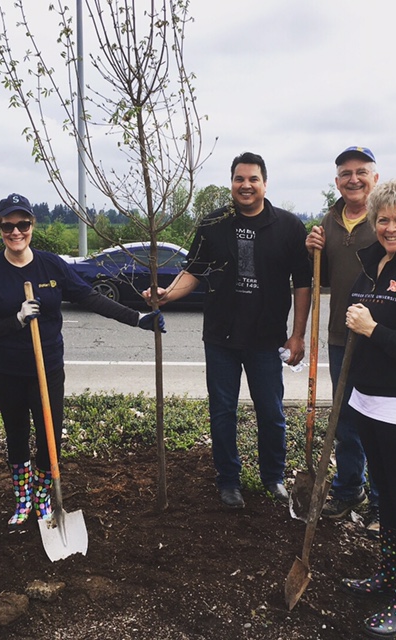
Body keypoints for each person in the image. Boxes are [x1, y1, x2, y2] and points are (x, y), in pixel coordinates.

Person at [0, 193, 165, 531]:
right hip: (5, 370)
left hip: (47, 368)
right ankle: (22, 498)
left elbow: (90, 297)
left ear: (32, 225)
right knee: (16, 433)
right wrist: (16, 319)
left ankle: (44, 497)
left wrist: (137, 318)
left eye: (23, 224)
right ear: (0, 228)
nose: (16, 232)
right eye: (8, 226)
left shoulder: (50, 265)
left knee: (49, 434)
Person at [143, 152, 311, 508]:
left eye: (253, 179)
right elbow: (194, 271)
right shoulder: (213, 224)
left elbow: (302, 284)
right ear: (231, 182)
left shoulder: (289, 227)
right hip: (220, 337)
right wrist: (167, 294)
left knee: (272, 412)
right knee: (222, 411)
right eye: (239, 179)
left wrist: (297, 334)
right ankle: (228, 481)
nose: (245, 185)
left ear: (265, 183)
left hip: (266, 339)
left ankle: (273, 478)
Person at [339, 178, 396, 638]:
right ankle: (390, 576)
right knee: (385, 498)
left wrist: (373, 330)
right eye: (384, 219)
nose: (391, 228)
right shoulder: (373, 262)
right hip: (369, 403)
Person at [306, 146, 380, 534]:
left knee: (381, 420)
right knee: (346, 419)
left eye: (361, 172)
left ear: (375, 178)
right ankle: (350, 489)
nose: (354, 179)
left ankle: (384, 502)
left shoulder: (387, 219)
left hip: (380, 337)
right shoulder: (329, 223)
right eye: (346, 173)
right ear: (337, 181)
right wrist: (311, 251)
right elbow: (320, 278)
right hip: (340, 336)